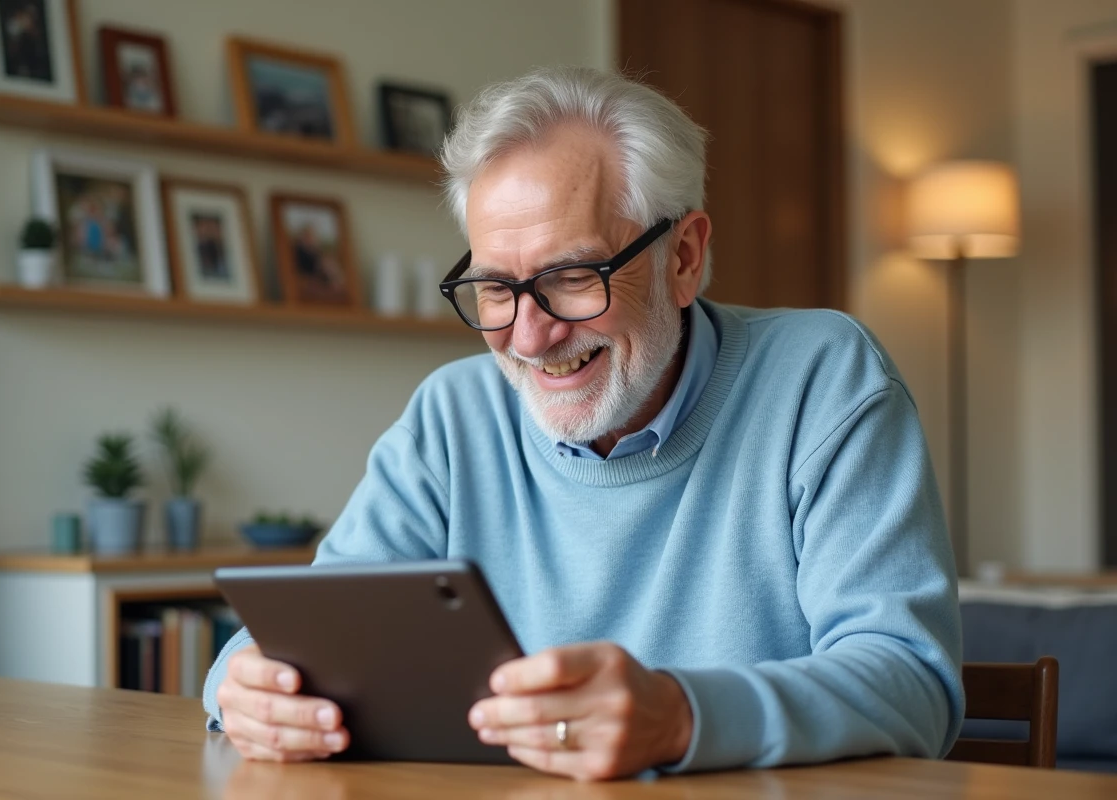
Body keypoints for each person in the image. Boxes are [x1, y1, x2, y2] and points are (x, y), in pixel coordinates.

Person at [203, 66, 964, 781]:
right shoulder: (452, 416)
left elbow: (911, 680)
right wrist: (246, 687)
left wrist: (682, 717)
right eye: (496, 289)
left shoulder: (823, 380)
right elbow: (304, 632)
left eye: (573, 278)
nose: (529, 337)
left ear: (685, 256)